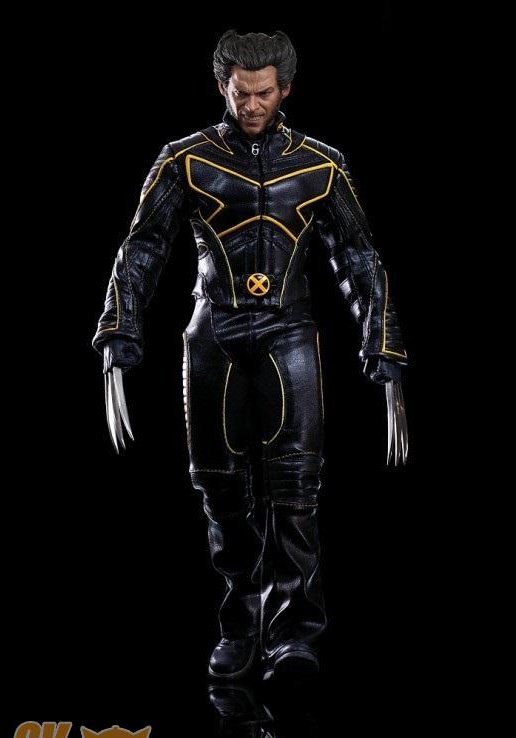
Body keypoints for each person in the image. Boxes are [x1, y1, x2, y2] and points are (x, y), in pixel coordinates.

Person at [92, 29, 409, 682]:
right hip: (213, 334)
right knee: (221, 491)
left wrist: (383, 346)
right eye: (241, 93)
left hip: (290, 334)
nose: (252, 105)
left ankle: (294, 637)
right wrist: (119, 333)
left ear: (285, 89)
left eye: (264, 93)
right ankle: (240, 624)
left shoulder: (320, 164)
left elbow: (357, 256)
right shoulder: (186, 159)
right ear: (223, 87)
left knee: (295, 493)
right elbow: (143, 246)